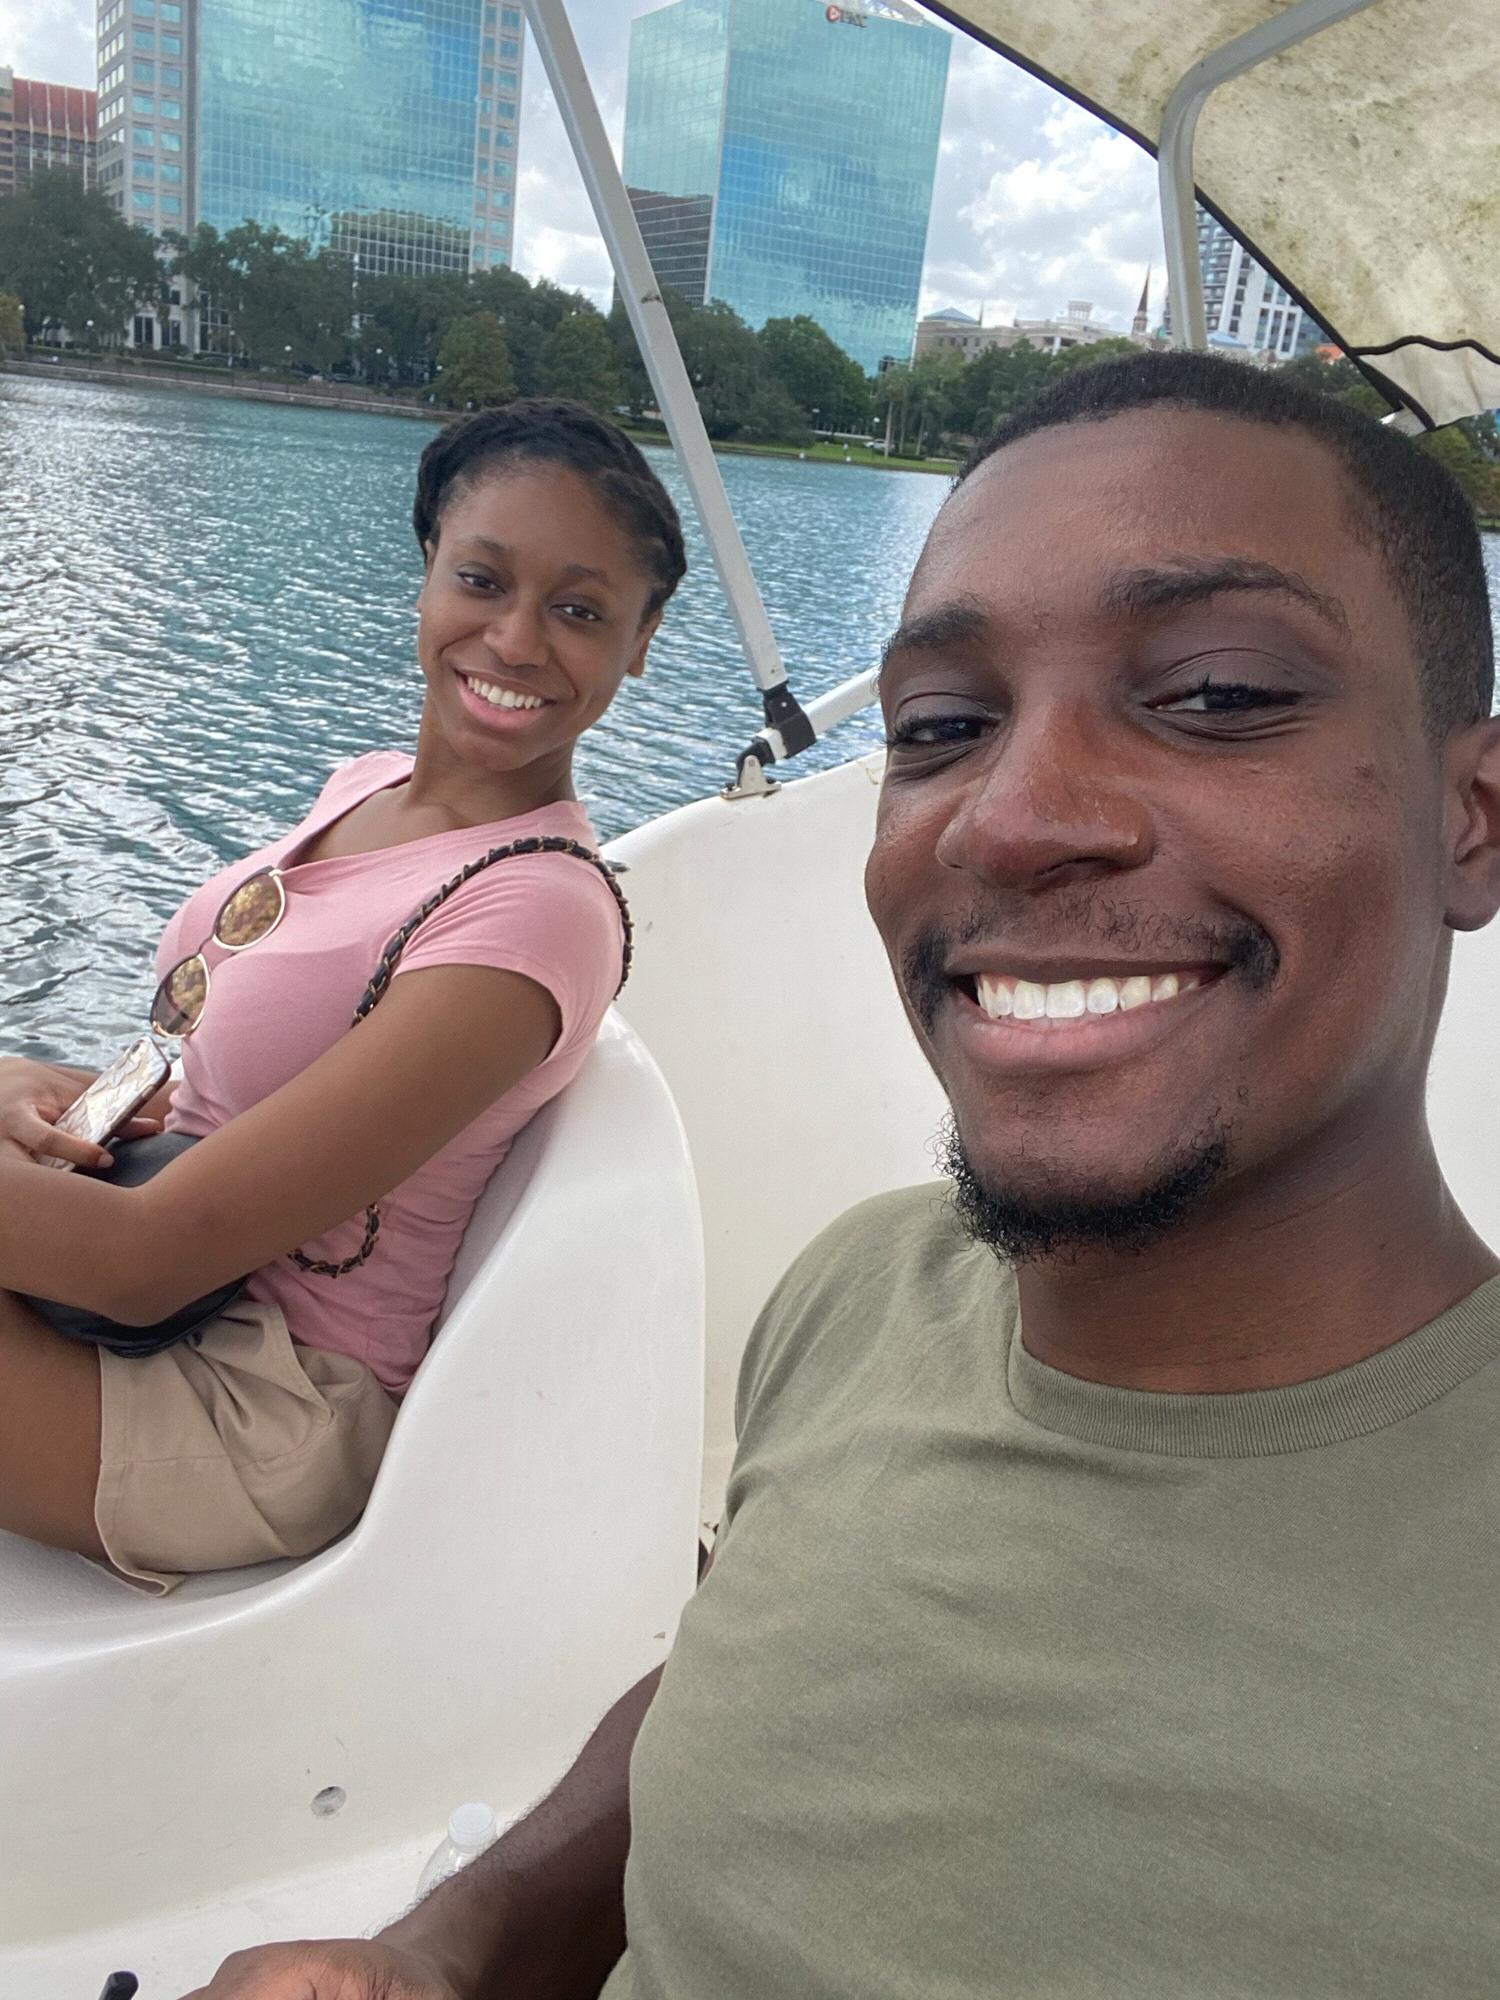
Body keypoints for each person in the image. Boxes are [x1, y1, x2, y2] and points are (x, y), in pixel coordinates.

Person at [186, 350, 1500, 1998]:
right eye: (943, 727)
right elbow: (748, 1663)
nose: (1010, 820)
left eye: (1217, 694)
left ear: (1474, 815)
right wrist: (456, 1945)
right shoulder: (864, 1287)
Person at [0, 398, 686, 1592]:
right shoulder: (364, 787)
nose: (517, 641)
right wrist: (22, 1085)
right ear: (429, 570)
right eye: (483, 578)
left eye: (580, 611)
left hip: (260, 1397)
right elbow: (199, 1072)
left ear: (642, 640)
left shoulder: (538, 909)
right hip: (161, 1293)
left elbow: (146, 1257)